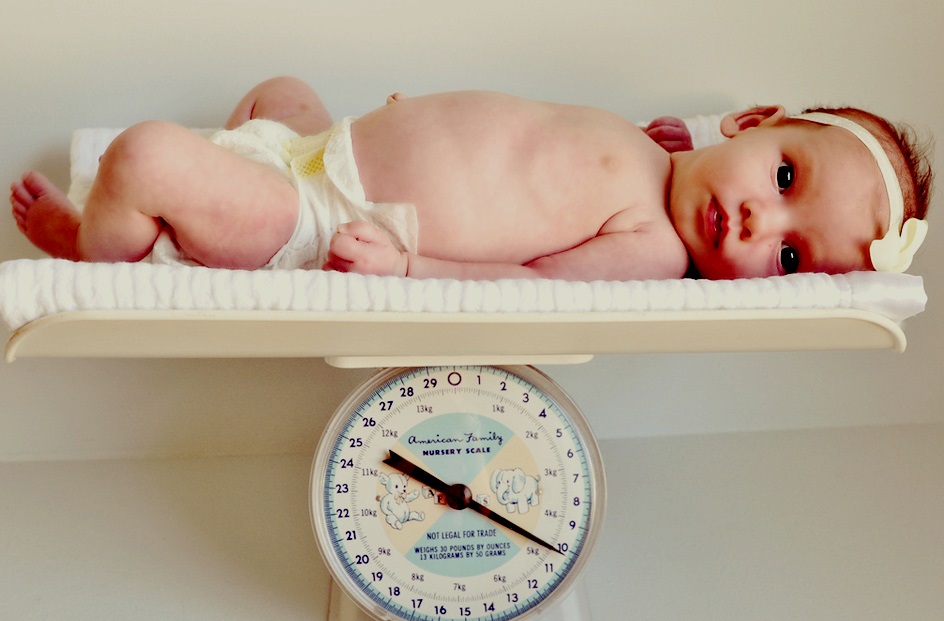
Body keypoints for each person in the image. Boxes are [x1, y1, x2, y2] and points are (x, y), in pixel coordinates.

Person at [9, 76, 933, 281]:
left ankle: (98, 246)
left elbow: (532, 284)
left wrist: (409, 270)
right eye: (784, 176)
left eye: (789, 256)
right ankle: (179, 211)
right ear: (753, 123)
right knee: (277, 91)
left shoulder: (652, 244)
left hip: (321, 218)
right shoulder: (651, 148)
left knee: (147, 154)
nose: (758, 220)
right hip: (320, 146)